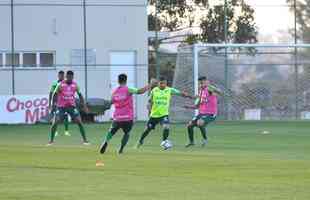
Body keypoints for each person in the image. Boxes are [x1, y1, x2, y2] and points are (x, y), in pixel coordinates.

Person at [99, 74, 155, 154]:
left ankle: (106, 141)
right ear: (126, 80)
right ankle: (121, 149)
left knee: (111, 132)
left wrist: (103, 108)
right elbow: (140, 91)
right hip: (128, 118)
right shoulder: (128, 89)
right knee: (126, 133)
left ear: (118, 81)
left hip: (117, 118)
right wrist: (150, 85)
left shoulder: (115, 92)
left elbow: (110, 103)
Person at [136, 76, 192, 149]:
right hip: (154, 115)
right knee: (147, 129)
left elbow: (181, 93)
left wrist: (190, 96)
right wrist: (149, 106)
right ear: (158, 83)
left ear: (166, 83)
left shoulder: (169, 90)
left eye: (164, 83)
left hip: (164, 114)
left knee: (166, 127)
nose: (162, 85)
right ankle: (140, 141)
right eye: (161, 83)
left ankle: (164, 142)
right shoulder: (154, 90)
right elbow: (149, 101)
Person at [48, 70, 89, 145]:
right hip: (61, 107)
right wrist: (53, 105)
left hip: (71, 106)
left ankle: (85, 140)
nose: (70, 79)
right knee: (55, 121)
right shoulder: (60, 84)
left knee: (79, 121)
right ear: (66, 77)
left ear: (73, 77)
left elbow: (80, 95)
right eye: (68, 77)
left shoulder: (75, 85)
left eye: (71, 77)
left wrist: (84, 106)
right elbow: (54, 94)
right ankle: (51, 141)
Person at [185, 76, 222, 147]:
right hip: (201, 114)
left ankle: (205, 139)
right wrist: (188, 107)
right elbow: (197, 106)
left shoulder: (209, 89)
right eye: (200, 83)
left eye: (202, 83)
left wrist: (212, 88)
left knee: (200, 123)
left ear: (206, 82)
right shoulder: (201, 92)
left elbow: (219, 92)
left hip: (211, 114)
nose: (201, 85)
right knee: (189, 125)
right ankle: (191, 142)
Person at [48, 70, 70, 137]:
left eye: (63, 75)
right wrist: (50, 103)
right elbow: (51, 93)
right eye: (60, 75)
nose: (61, 77)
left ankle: (66, 131)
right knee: (56, 118)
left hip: (65, 103)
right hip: (56, 103)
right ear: (58, 76)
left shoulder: (66, 83)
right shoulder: (55, 84)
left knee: (66, 116)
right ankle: (55, 131)